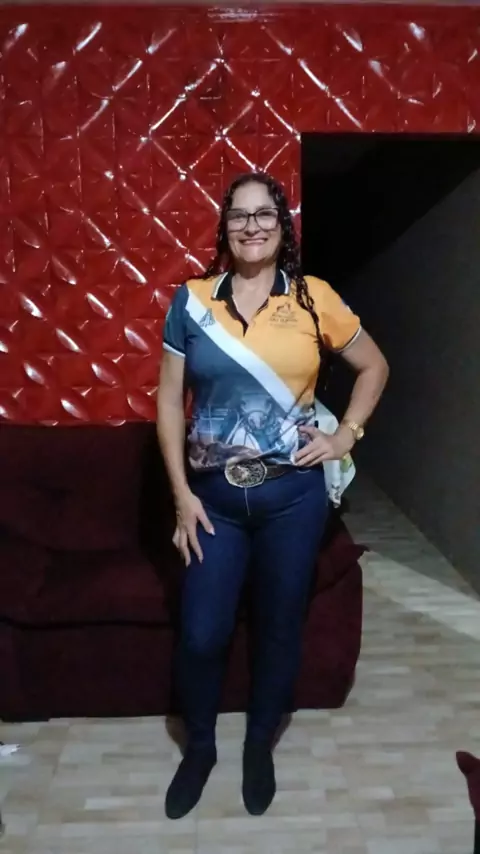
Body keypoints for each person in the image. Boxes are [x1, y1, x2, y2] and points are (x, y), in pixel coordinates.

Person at [156, 171, 389, 820]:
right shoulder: (191, 301)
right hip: (213, 501)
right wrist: (180, 496)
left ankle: (259, 746)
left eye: (265, 215)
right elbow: (169, 402)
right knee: (201, 633)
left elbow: (374, 366)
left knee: (280, 627)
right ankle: (200, 749)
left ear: (283, 227)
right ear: (224, 226)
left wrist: (345, 435)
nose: (251, 226)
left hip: (293, 499)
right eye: (239, 215)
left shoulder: (314, 299)